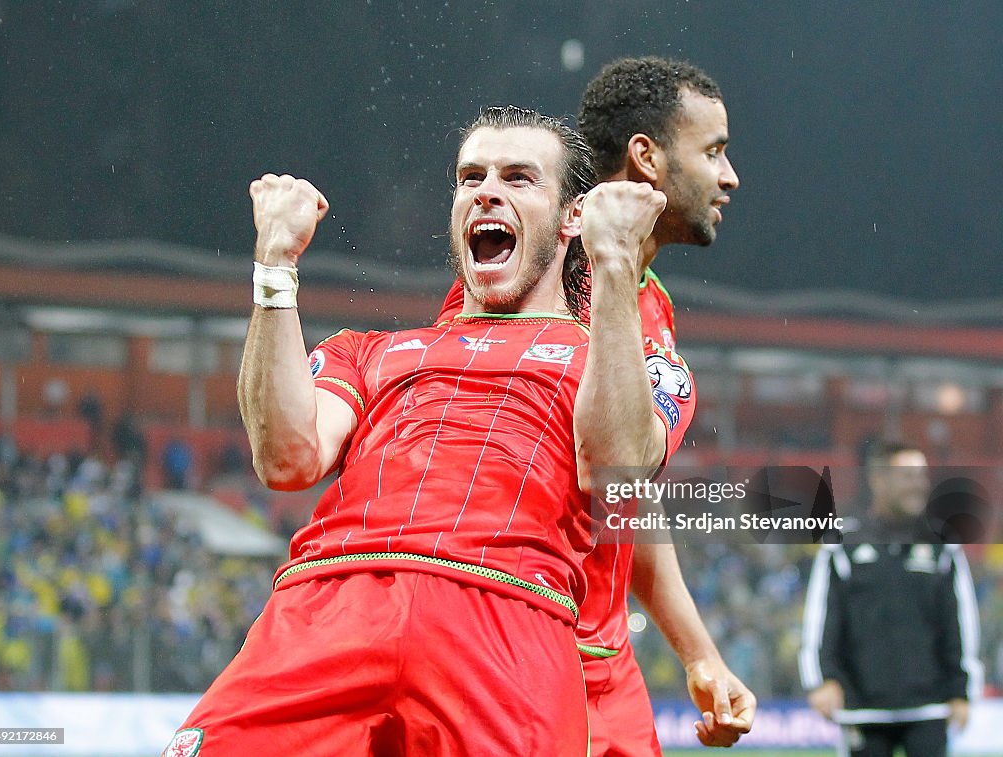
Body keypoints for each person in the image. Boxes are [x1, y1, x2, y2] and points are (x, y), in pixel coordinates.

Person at [162, 106, 680, 756]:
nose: (486, 190)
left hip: (506, 615)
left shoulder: (607, 357)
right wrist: (274, 264)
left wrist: (613, 265)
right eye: (471, 177)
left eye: (519, 178)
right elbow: (287, 456)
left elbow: (617, 461)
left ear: (573, 215)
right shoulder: (372, 351)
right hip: (331, 601)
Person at [436, 56, 755, 753]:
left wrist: (699, 653)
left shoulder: (652, 305)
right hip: (509, 667)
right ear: (647, 157)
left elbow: (624, 495)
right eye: (714, 151)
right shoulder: (523, 280)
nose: (728, 176)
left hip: (607, 671)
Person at [799, 439, 984, 757]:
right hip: (862, 707)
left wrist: (962, 691)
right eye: (907, 476)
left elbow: (959, 620)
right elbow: (823, 617)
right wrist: (822, 680)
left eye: (921, 476)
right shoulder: (843, 542)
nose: (918, 485)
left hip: (930, 707)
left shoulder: (942, 544)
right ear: (878, 480)